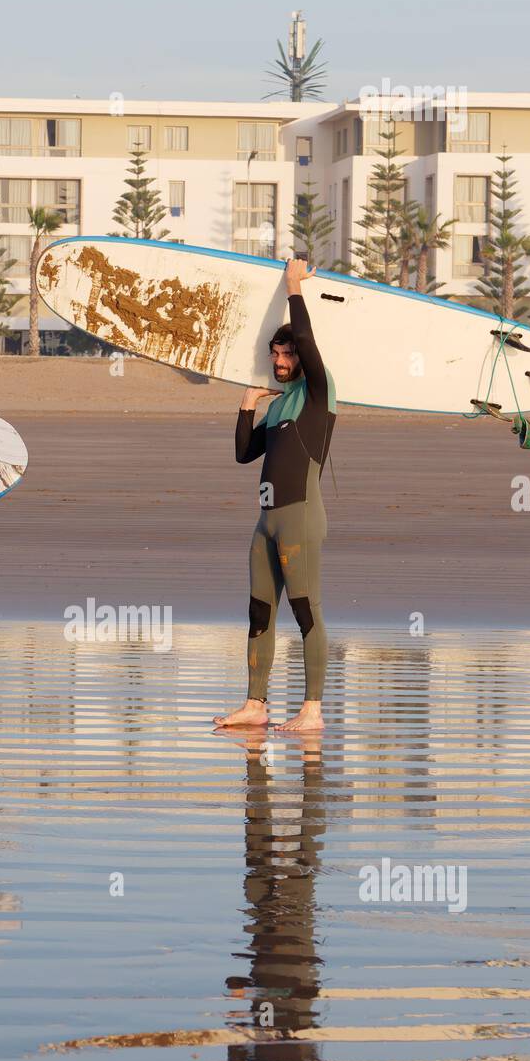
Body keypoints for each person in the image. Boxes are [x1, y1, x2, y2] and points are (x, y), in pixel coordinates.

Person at [215, 258, 335, 734]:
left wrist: (292, 285)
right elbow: (245, 452)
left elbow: (306, 339)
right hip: (266, 522)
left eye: (285, 356)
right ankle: (255, 704)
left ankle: (312, 709)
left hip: (300, 518)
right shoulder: (279, 403)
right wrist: (247, 405)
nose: (279, 362)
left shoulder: (318, 395)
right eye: (274, 356)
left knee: (306, 610)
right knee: (258, 610)